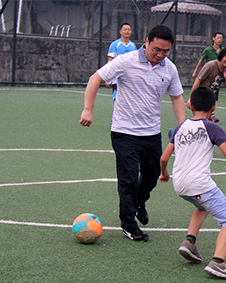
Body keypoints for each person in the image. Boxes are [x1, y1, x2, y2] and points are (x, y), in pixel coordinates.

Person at [79, 25, 186, 242]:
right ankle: (128, 224)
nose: (160, 55)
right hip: (124, 131)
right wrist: (88, 109)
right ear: (146, 41)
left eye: (165, 51)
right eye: (156, 49)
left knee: (152, 175)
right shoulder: (126, 61)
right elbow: (95, 78)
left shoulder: (170, 69)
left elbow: (176, 97)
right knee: (127, 179)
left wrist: (183, 125)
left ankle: (138, 202)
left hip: (151, 133)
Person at [159, 87, 226, 280]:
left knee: (203, 207)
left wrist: (164, 173)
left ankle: (189, 242)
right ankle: (218, 263)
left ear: (190, 105)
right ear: (213, 107)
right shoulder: (212, 127)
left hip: (180, 185)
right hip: (199, 184)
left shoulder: (180, 127)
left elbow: (164, 157)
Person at [187, 46, 226, 123]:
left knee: (204, 124)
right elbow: (198, 80)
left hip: (210, 100)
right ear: (221, 56)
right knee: (201, 122)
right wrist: (191, 98)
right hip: (200, 98)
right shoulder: (210, 65)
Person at [105, 23, 137, 101]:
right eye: (125, 30)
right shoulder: (115, 44)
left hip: (129, 78)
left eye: (129, 30)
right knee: (117, 100)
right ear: (120, 32)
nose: (127, 31)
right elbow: (110, 61)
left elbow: (135, 62)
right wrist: (108, 78)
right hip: (117, 77)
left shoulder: (133, 46)